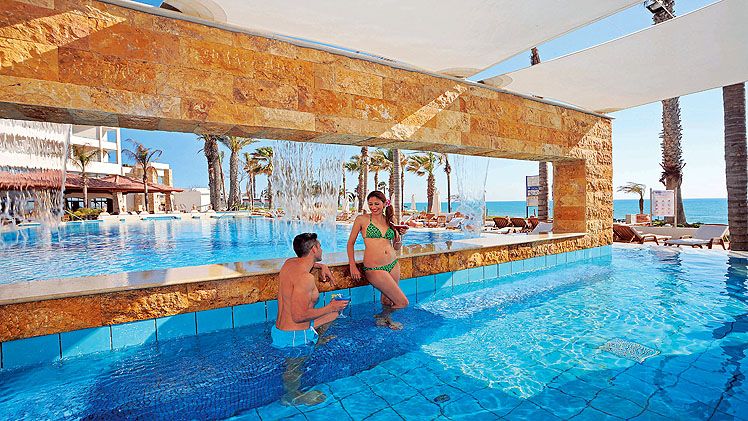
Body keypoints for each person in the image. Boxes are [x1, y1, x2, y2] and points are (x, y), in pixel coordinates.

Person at [273, 232, 349, 406]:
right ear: (314, 249)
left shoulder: (289, 263)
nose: (322, 249)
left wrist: (322, 266)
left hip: (281, 330)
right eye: (320, 246)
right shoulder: (305, 279)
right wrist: (330, 306)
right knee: (294, 367)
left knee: (333, 315)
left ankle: (316, 339)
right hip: (294, 337)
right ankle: (292, 396)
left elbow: (307, 264)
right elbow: (299, 316)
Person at [347, 191, 409, 329]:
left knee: (388, 300)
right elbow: (350, 243)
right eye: (370, 204)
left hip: (393, 264)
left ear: (384, 204)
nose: (373, 207)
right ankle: (381, 317)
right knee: (402, 302)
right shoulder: (362, 219)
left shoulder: (389, 221)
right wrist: (352, 265)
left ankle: (387, 320)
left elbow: (396, 247)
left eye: (376, 204)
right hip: (374, 268)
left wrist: (399, 236)